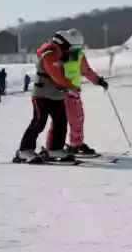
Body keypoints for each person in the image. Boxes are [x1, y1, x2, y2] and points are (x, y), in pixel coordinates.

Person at [14, 30, 81, 163]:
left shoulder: (63, 56)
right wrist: (71, 87)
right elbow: (57, 77)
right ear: (63, 43)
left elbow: (72, 71)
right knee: (39, 122)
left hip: (57, 96)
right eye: (70, 46)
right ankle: (24, 151)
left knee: (60, 122)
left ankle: (54, 149)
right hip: (42, 95)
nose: (71, 50)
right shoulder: (49, 55)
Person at [61, 33, 109, 157]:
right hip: (64, 92)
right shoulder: (62, 55)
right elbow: (86, 71)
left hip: (71, 92)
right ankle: (69, 145)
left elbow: (86, 71)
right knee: (71, 119)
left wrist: (98, 80)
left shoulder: (76, 55)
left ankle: (75, 143)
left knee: (76, 118)